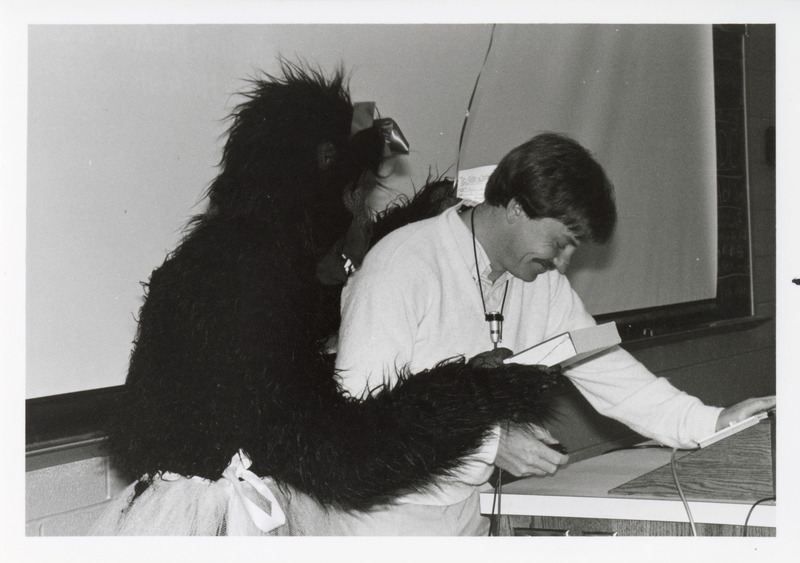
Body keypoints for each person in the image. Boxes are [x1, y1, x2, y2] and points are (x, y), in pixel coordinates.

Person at [90, 62, 568, 536]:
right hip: (219, 521)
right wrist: (476, 394)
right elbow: (345, 459)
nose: (358, 214)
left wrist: (405, 230)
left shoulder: (231, 257)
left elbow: (317, 310)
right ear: (321, 173)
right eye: (355, 195)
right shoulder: (248, 275)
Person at [334, 132, 776, 535]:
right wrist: (491, 443)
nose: (563, 263)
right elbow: (358, 421)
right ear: (515, 209)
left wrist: (714, 422)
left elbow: (616, 379)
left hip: (463, 510)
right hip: (377, 516)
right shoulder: (401, 265)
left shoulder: (543, 287)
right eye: (560, 243)